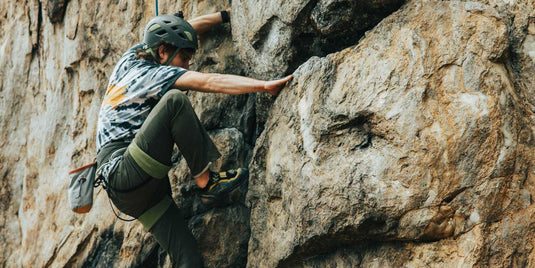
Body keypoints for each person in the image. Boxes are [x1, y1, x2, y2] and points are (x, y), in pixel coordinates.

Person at [95, 9, 292, 267]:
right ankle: (206, 183)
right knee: (174, 101)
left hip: (131, 193)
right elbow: (211, 81)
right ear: (163, 52)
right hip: (125, 169)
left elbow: (188, 28)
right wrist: (263, 86)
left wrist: (225, 15)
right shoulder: (152, 74)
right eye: (185, 58)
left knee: (189, 259)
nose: (188, 65)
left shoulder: (133, 55)